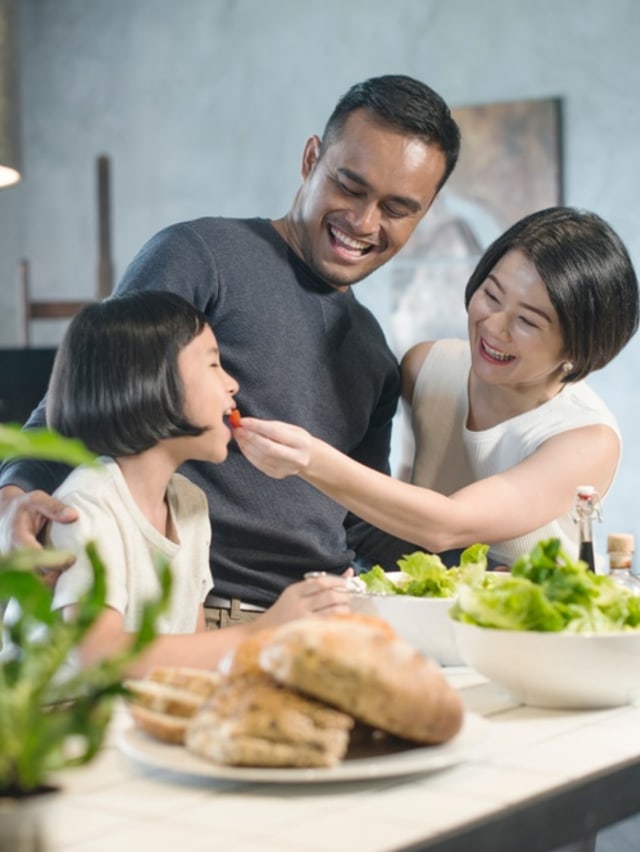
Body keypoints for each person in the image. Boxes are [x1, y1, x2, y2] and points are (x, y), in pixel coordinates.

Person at [0, 75, 461, 619]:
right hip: (199, 608)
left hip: (319, 611)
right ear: (311, 158)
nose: (364, 222)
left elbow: (359, 516)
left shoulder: (374, 354)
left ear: (423, 213)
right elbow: (90, 394)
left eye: (396, 208)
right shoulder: (202, 256)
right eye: (350, 187)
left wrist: (470, 566)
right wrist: (13, 495)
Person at [233, 206, 640, 568]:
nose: (493, 327)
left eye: (528, 322)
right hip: (431, 609)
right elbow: (402, 483)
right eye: (492, 295)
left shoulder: (585, 438)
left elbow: (448, 524)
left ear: (579, 345)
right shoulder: (427, 366)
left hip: (537, 627)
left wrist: (309, 460)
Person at [43, 290, 351, 675]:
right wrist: (264, 630)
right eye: (213, 364)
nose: (232, 383)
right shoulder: (88, 504)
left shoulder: (189, 502)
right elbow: (99, 653)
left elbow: (195, 650)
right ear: (151, 379)